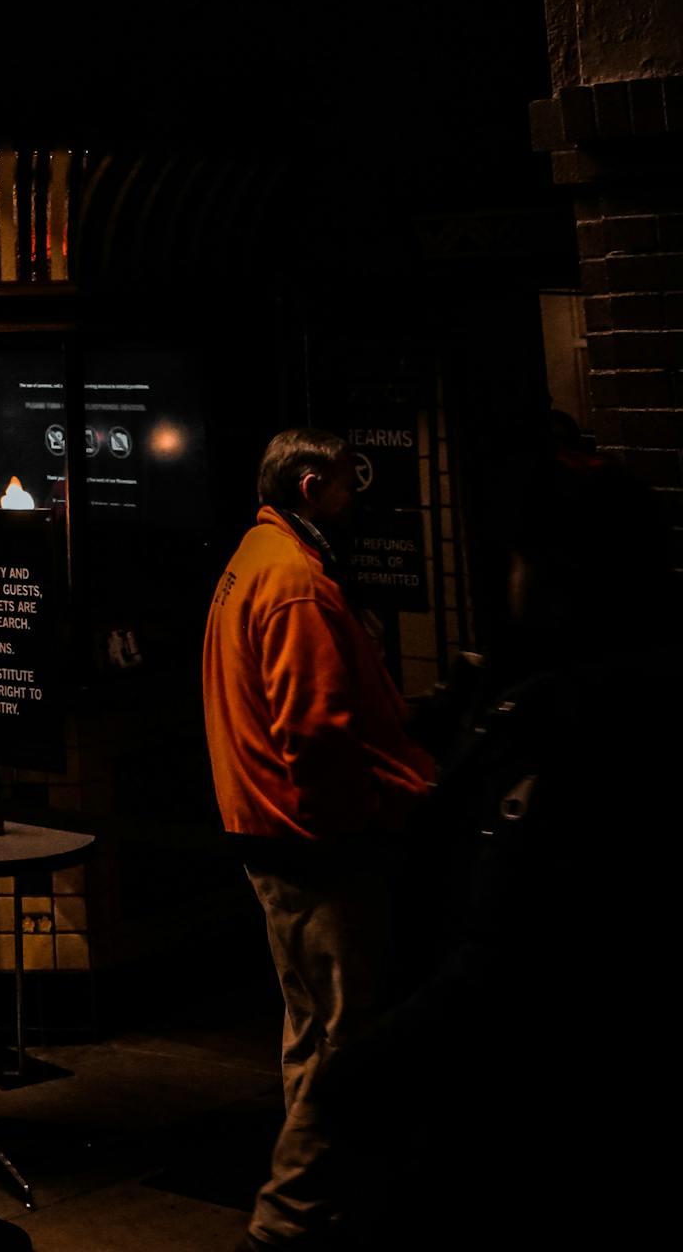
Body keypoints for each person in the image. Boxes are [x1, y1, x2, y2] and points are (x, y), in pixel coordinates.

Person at [317, 458, 679, 1243]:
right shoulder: (593, 696)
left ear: (557, 573)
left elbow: (503, 940)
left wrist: (367, 1070)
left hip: (513, 1107)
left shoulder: (567, 720)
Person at [200, 426, 434, 1248]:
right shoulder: (295, 580)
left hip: (267, 831)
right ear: (308, 488)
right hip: (315, 843)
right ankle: (291, 1220)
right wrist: (365, 822)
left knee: (310, 1034)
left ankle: (332, 1203)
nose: (355, 497)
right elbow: (318, 732)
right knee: (350, 1040)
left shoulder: (249, 563)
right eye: (343, 484)